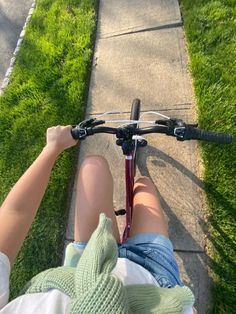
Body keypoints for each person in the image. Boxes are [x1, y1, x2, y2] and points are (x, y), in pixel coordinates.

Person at [0, 125, 196, 313]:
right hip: (154, 280)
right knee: (143, 185)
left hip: (84, 266)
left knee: (92, 166)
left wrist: (52, 147)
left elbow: (14, 213)